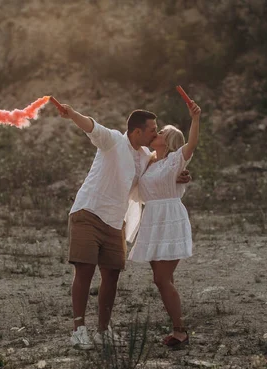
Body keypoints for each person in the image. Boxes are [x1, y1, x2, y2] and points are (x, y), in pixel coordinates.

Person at [57, 104, 190, 349]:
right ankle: (79, 330)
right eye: (152, 130)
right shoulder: (114, 141)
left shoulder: (143, 158)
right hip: (89, 212)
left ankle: (103, 331)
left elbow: (154, 180)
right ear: (136, 132)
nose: (155, 134)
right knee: (84, 272)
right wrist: (72, 114)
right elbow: (92, 126)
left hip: (115, 221)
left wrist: (178, 176)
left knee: (111, 276)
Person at [128, 100, 202, 348]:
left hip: (170, 218)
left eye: (160, 132)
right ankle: (178, 327)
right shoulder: (149, 161)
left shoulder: (175, 160)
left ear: (168, 140)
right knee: (160, 279)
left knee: (162, 278)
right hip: (152, 221)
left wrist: (195, 118)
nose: (155, 134)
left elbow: (191, 144)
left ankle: (180, 330)